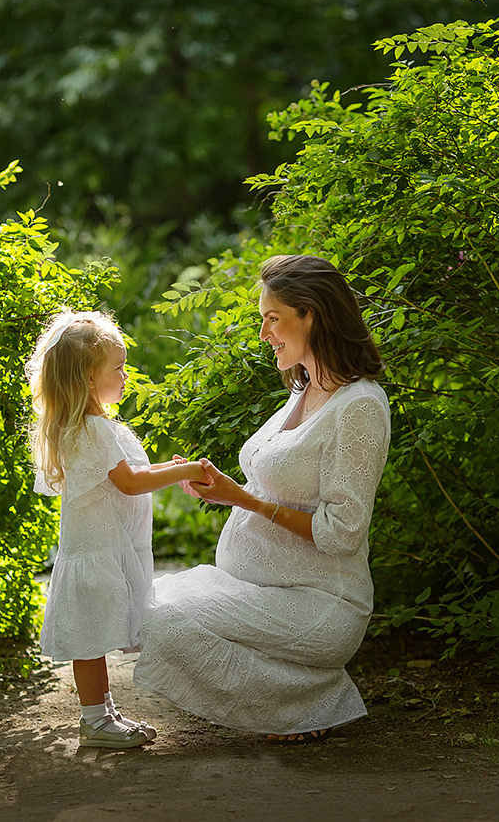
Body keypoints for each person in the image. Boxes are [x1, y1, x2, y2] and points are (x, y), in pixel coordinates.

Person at [133, 255, 390, 742]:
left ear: (311, 314)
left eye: (273, 319)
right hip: (262, 594)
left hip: (321, 606)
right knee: (144, 602)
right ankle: (303, 697)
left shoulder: (359, 408)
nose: (264, 333)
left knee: (162, 620)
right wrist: (226, 488)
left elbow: (341, 531)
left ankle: (306, 703)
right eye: (263, 320)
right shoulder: (304, 391)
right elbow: (278, 485)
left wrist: (244, 502)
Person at [26, 310, 212, 749]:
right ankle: (94, 720)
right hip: (96, 550)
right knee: (90, 638)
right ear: (90, 378)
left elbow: (127, 473)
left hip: (107, 547)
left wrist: (168, 468)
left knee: (96, 635)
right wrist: (185, 470)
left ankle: (104, 715)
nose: (126, 375)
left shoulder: (95, 426)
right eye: (118, 368)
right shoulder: (90, 429)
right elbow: (128, 483)